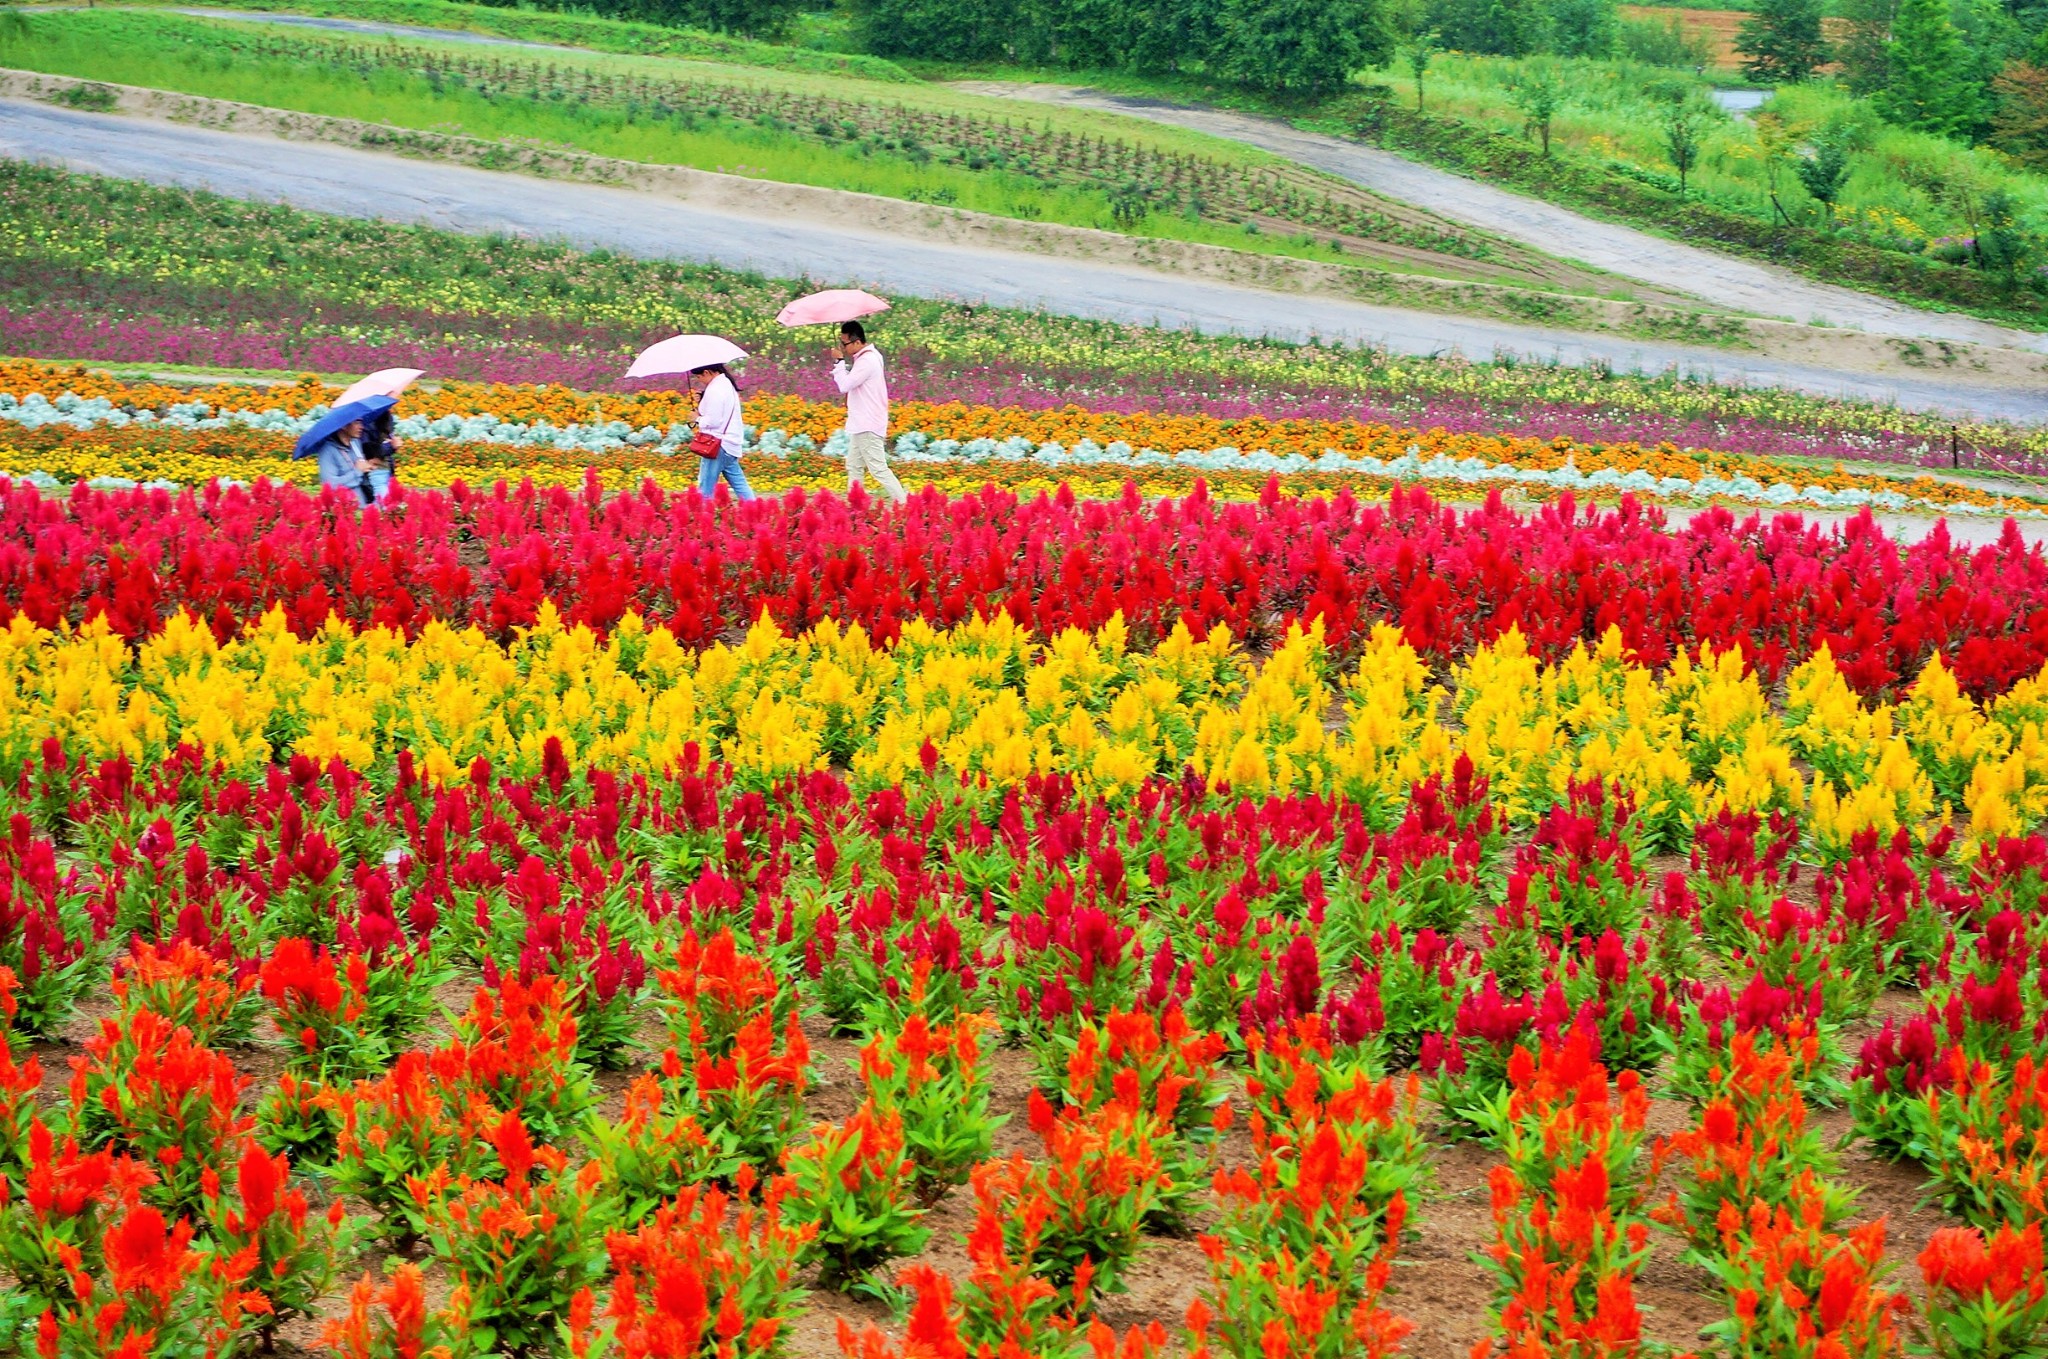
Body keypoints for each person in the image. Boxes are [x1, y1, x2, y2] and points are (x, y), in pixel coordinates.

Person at [830, 320, 905, 507]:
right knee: (854, 466)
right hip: (861, 423)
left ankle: (905, 505)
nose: (843, 347)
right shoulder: (870, 356)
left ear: (856, 342)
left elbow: (844, 385)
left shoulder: (867, 360)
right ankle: (856, 507)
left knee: (878, 469)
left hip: (868, 423)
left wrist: (839, 362)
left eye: (845, 344)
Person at [690, 362, 755, 502]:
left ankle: (703, 520)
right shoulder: (725, 384)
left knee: (705, 490)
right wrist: (703, 398)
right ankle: (756, 512)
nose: (699, 380)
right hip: (730, 445)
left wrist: (697, 419)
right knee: (740, 485)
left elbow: (713, 421)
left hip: (717, 445)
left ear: (707, 372)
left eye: (699, 377)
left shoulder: (715, 390)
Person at [312, 418, 371, 503]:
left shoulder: (356, 443)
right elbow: (330, 486)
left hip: (361, 503)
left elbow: (361, 468)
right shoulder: (328, 451)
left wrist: (367, 465)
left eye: (361, 422)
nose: (361, 427)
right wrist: (357, 471)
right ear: (343, 425)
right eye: (357, 422)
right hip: (344, 508)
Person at [360, 405, 402, 502]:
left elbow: (386, 439)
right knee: (382, 504)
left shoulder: (385, 415)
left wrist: (392, 444)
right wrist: (391, 446)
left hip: (386, 469)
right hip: (376, 472)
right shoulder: (366, 421)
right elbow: (369, 451)